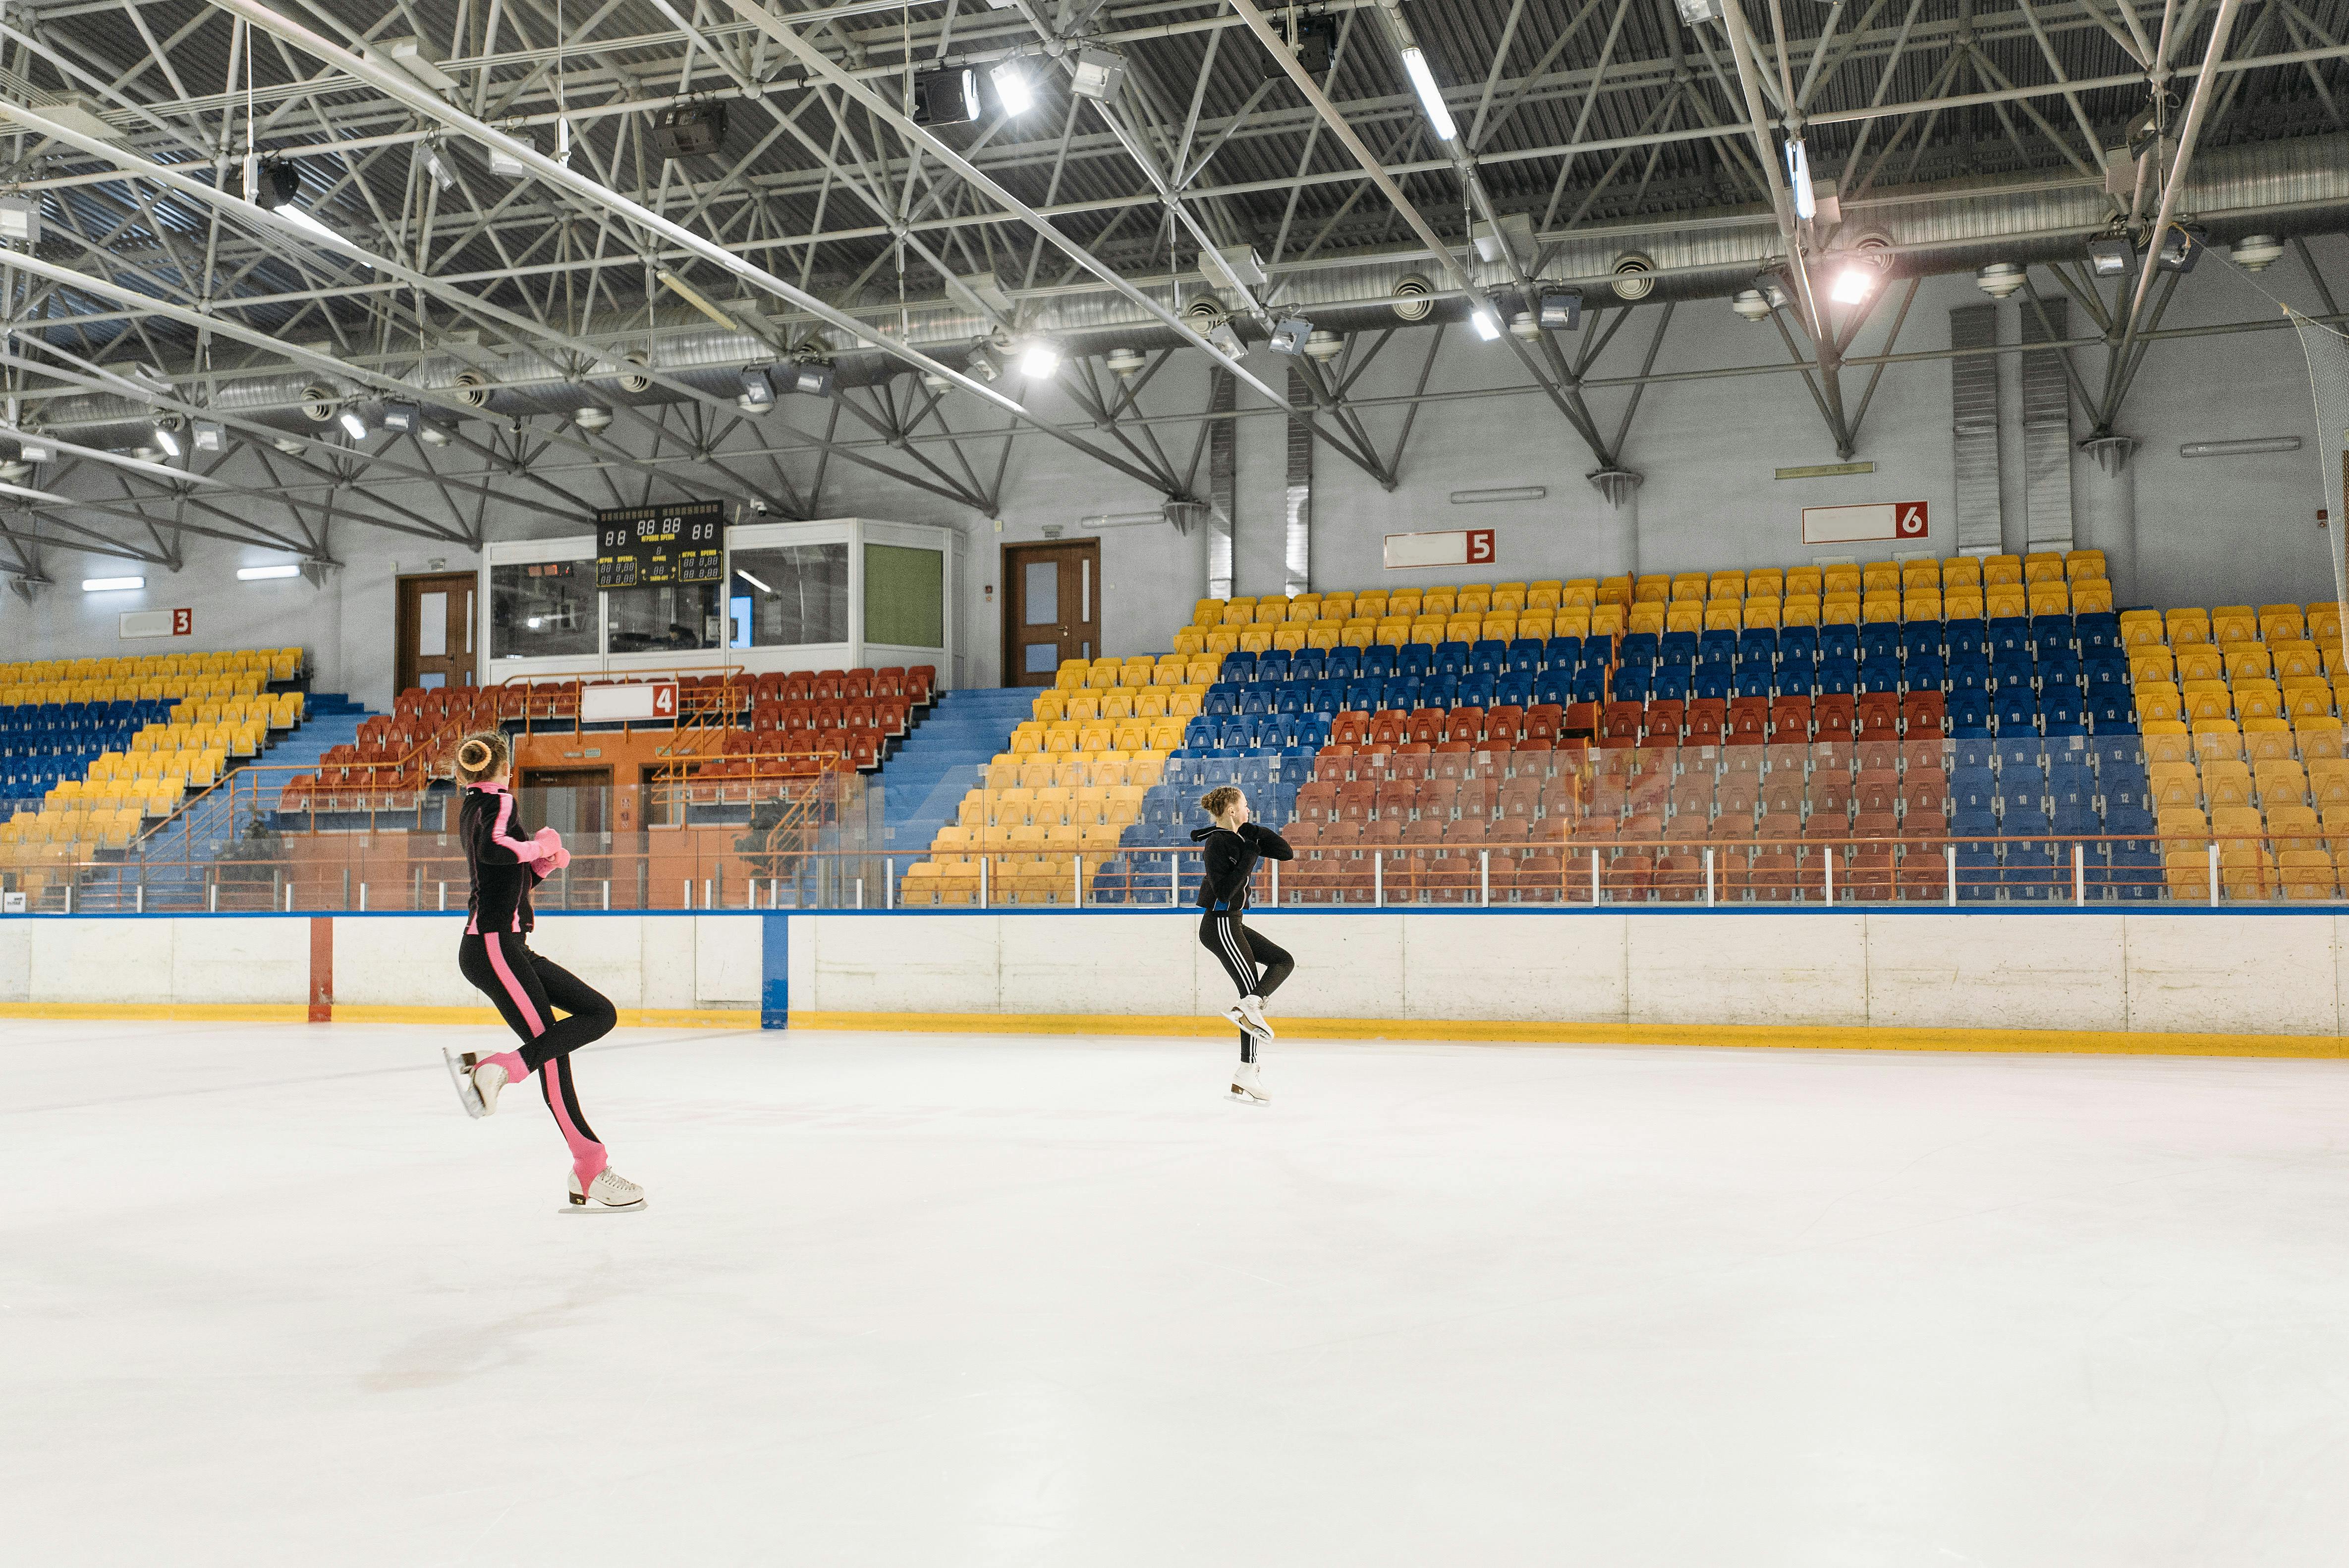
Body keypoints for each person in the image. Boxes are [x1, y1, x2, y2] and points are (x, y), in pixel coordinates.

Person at [440, 729, 643, 1211]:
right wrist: (536, 848)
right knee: (552, 1051)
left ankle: (503, 1065)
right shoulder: (497, 804)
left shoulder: (475, 803)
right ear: (504, 766)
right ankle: (590, 1165)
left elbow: (502, 873)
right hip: (493, 946)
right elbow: (495, 849)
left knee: (598, 1013)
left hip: (504, 945)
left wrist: (543, 865)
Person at [1191, 785, 1294, 1103]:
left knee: (1283, 961)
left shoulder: (1238, 837)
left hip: (1233, 923)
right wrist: (1250, 854)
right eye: (1245, 806)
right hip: (1220, 924)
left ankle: (1251, 1010)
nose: (1250, 809)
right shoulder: (1217, 844)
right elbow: (1224, 891)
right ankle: (1246, 1073)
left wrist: (1254, 832)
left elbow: (1285, 852)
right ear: (1232, 809)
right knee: (1247, 1000)